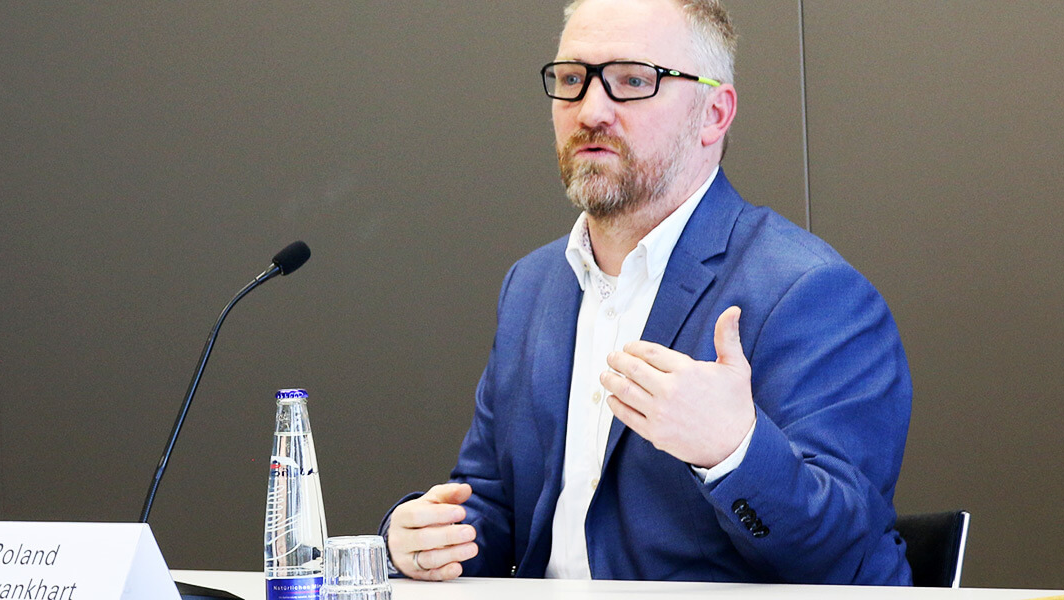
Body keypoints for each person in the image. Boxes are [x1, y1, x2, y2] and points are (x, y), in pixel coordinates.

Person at [381, 0, 912, 585]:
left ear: (714, 113)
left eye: (633, 80)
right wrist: (425, 537)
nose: (591, 110)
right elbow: (493, 507)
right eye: (571, 79)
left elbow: (839, 552)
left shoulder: (812, 293)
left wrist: (732, 451)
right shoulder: (532, 286)